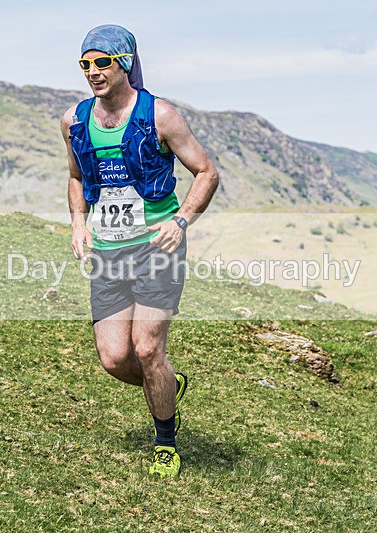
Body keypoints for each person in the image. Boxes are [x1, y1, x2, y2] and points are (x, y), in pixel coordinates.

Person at [61, 24, 219, 479]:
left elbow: (206, 172)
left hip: (156, 250)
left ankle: (165, 442)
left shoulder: (160, 115)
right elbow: (76, 177)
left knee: (147, 349)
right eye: (85, 63)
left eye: (102, 62)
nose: (93, 71)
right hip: (108, 254)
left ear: (125, 63)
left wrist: (180, 220)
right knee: (115, 358)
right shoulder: (74, 121)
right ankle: (168, 382)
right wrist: (78, 222)